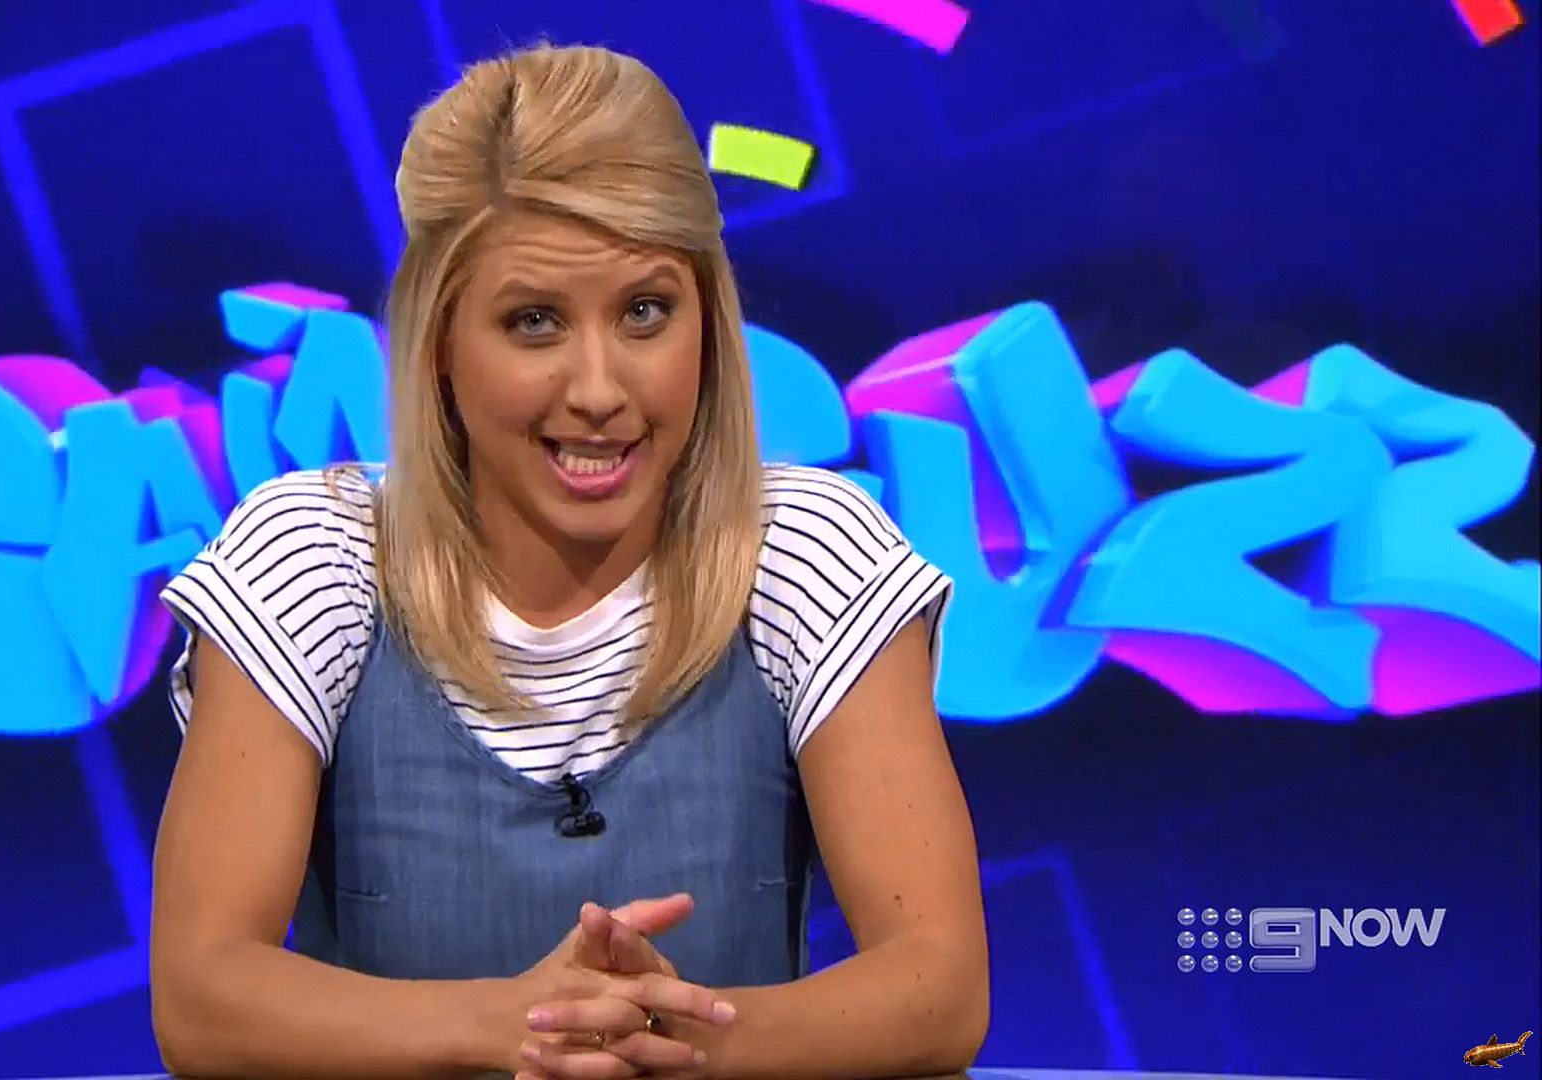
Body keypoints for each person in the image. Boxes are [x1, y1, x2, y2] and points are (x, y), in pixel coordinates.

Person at [149, 42, 988, 1079]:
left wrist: (672, 1042)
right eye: (534, 322)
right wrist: (513, 1027)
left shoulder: (807, 552)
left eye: (645, 313)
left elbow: (940, 987)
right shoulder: (312, 559)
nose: (598, 389)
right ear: (440, 342)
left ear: (708, 324)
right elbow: (202, 996)